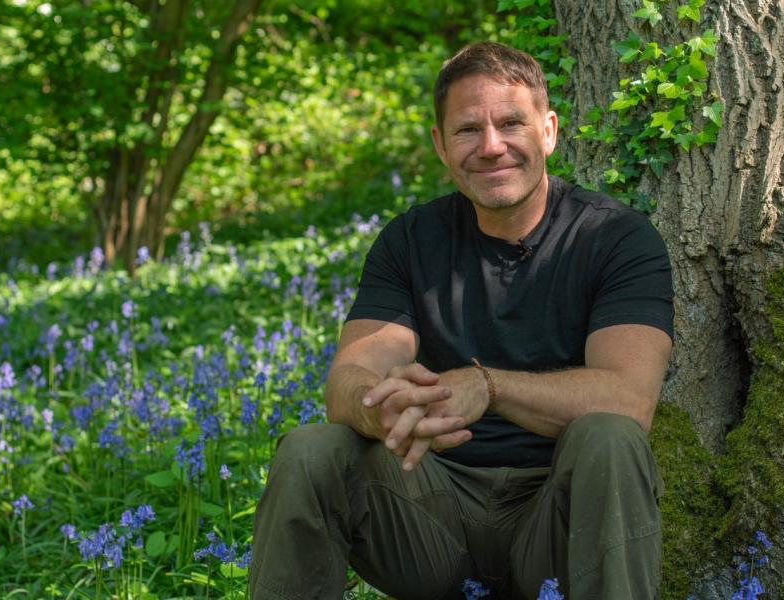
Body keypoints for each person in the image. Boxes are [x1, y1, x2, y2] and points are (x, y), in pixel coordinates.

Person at [249, 41, 673, 600]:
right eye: (468, 130)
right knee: (310, 449)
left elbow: (629, 402)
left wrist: (487, 387)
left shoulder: (616, 238)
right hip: (429, 513)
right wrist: (386, 408)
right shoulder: (409, 241)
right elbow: (348, 383)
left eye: (511, 124)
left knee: (611, 437)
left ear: (548, 131)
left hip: (560, 519)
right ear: (440, 146)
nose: (492, 147)